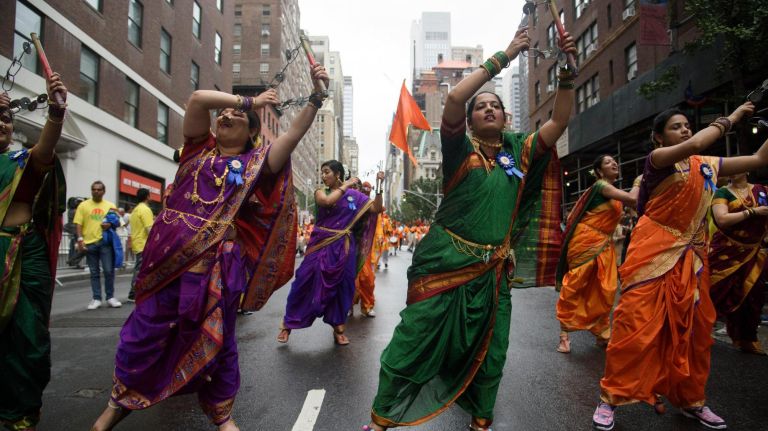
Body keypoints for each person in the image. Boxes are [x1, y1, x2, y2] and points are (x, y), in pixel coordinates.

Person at [90, 64, 329, 431]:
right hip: (164, 266)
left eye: (238, 115)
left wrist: (316, 96)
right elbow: (199, 99)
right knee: (144, 332)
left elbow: (292, 136)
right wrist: (248, 99)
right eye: (226, 112)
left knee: (218, 342)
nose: (228, 114)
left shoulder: (255, 164)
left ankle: (222, 416)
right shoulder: (195, 151)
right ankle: (118, 403)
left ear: (253, 133)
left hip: (216, 269)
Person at [364, 26, 575, 431]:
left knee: (492, 353)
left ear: (507, 116)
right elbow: (456, 97)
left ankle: (481, 419)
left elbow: (560, 119)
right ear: (472, 120)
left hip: (493, 274)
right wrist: (508, 53)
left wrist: (567, 71)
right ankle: (381, 419)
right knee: (414, 341)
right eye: (482, 107)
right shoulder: (458, 149)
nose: (489, 109)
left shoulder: (521, 151)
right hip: (444, 265)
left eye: (496, 105)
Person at [592, 102, 764, 431]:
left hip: (692, 258)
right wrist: (733, 117)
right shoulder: (657, 162)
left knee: (696, 332)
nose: (685, 129)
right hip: (653, 254)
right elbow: (698, 143)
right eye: (676, 126)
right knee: (635, 327)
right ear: (658, 138)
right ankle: (610, 397)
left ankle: (691, 400)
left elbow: (759, 160)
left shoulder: (706, 166)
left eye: (687, 125)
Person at [0, 73, 68, 431]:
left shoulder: (20, 161)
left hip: (26, 251)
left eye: (7, 119)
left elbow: (45, 151)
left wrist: (55, 113)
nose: (2, 124)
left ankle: (21, 414)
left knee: (30, 338)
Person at [277, 164, 384, 345]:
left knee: (343, 286)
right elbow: (326, 202)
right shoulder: (322, 192)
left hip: (344, 248)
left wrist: (379, 186)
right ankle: (288, 325)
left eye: (327, 172)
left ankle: (339, 329)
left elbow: (376, 209)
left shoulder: (355, 197)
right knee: (304, 281)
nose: (323, 176)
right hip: (320, 245)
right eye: (322, 172)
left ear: (338, 174)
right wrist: (346, 185)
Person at [555, 155, 637, 353]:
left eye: (615, 161)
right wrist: (639, 181)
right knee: (576, 285)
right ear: (599, 172)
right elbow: (633, 198)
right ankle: (564, 336)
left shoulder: (613, 193)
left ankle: (602, 332)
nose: (614, 163)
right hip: (586, 240)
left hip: (604, 244)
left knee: (605, 289)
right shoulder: (601, 186)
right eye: (608, 163)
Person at [709, 172, 768, 354]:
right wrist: (752, 212)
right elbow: (722, 219)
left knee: (753, 294)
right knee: (716, 291)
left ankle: (747, 338)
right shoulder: (723, 194)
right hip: (727, 251)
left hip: (755, 251)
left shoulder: (762, 190)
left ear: (747, 170)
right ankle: (698, 330)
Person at [75, 181, 122, 310]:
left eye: (99, 189)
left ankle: (110, 297)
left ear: (103, 191)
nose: (96, 191)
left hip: (105, 243)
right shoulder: (83, 206)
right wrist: (80, 239)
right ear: (91, 191)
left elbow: (119, 222)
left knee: (108, 271)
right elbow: (78, 224)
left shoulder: (110, 205)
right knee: (94, 272)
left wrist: (111, 225)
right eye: (94, 189)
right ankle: (96, 298)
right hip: (90, 244)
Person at [353, 181, 384, 317]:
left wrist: (379, 185)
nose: (365, 191)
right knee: (349, 279)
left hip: (365, 248)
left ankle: (367, 306)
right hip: (349, 246)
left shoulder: (370, 204)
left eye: (368, 189)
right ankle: (347, 305)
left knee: (367, 278)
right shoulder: (350, 202)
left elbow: (379, 208)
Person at [126, 188, 154, 302]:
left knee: (140, 268)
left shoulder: (135, 210)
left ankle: (139, 291)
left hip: (137, 243)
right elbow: (150, 229)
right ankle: (133, 293)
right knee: (140, 269)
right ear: (147, 196)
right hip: (144, 244)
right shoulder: (145, 210)